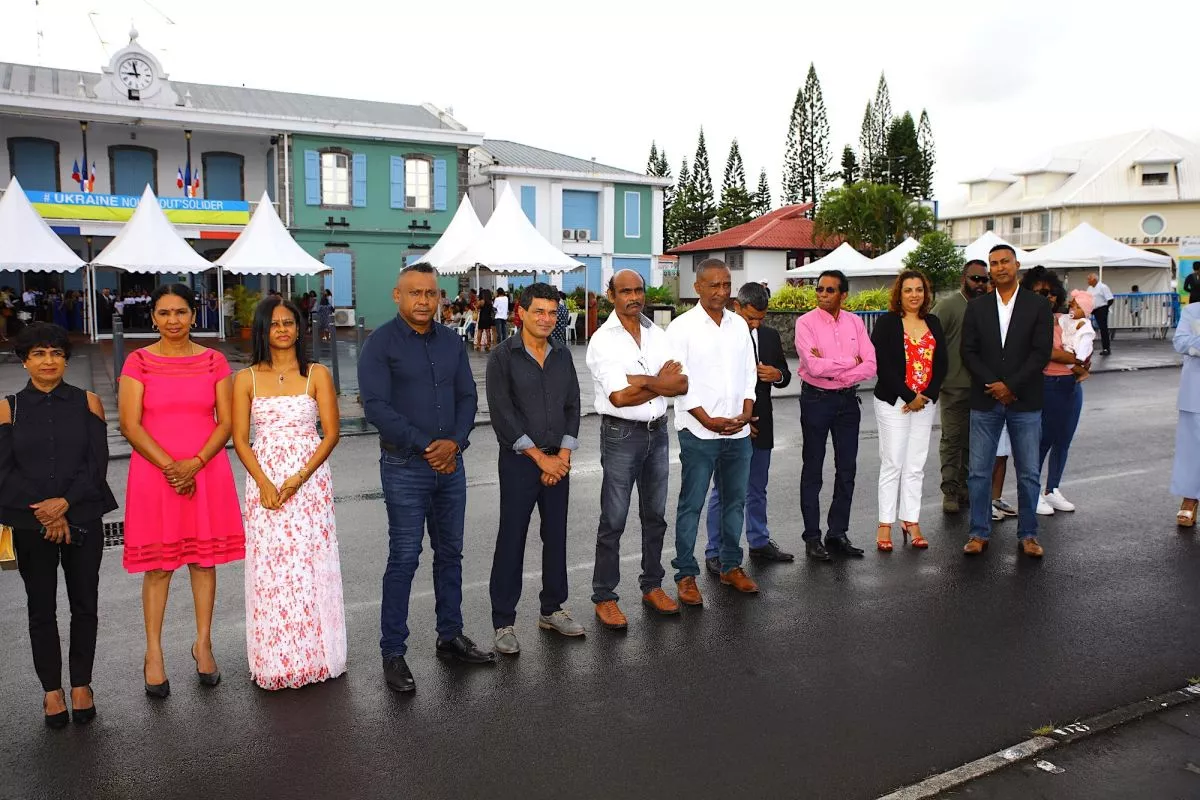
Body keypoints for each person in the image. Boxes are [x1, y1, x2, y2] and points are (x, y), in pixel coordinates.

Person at [359, 263, 492, 693]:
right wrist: (428, 446)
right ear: (397, 296)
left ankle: (450, 636)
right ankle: (393, 652)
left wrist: (455, 443)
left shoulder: (451, 341)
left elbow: (468, 396)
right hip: (405, 467)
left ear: (439, 298)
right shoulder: (380, 343)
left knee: (450, 554)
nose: (423, 300)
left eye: (430, 293)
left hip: (451, 465)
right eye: (414, 293)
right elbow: (376, 407)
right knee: (404, 558)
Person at [117, 284, 245, 697]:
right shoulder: (138, 361)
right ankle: (153, 653)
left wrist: (195, 463)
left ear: (193, 315)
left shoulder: (213, 360)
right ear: (153, 318)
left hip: (205, 470)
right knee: (158, 567)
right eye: (164, 313)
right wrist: (172, 467)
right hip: (155, 473)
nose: (173, 320)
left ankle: (203, 644)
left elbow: (226, 422)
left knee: (203, 562)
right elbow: (129, 424)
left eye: (181, 312)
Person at [0, 323, 116, 727]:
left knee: (85, 604)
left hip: (82, 516)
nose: (48, 361)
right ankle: (52, 690)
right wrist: (45, 511)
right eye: (38, 353)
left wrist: (64, 504)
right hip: (30, 523)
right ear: (24, 360)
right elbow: (4, 471)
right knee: (41, 608)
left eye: (56, 353)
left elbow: (96, 464)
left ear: (66, 359)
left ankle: (82, 684)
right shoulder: (8, 407)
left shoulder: (88, 402)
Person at [232, 298, 346, 690]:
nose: (282, 329)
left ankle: (316, 655)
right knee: (272, 569)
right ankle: (275, 658)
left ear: (299, 329)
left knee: (310, 564)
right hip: (263, 480)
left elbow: (331, 433)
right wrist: (264, 482)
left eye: (289, 323)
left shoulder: (316, 374)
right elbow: (240, 438)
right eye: (274, 323)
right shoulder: (246, 379)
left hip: (309, 480)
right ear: (262, 330)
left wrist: (299, 478)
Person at [587, 269, 688, 629]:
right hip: (621, 435)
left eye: (638, 290)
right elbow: (618, 396)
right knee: (613, 520)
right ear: (611, 295)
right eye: (625, 291)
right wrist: (659, 381)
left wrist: (642, 381)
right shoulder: (603, 340)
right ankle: (605, 596)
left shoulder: (658, 334)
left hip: (657, 433)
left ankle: (652, 586)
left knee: (655, 516)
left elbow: (681, 383)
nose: (634, 297)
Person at [487, 283, 584, 652]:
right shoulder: (502, 357)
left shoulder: (562, 355)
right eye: (539, 311)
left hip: (558, 462)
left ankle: (552, 609)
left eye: (552, 312)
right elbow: (503, 415)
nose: (546, 318)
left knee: (556, 535)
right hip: (520, 463)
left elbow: (573, 406)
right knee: (511, 539)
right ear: (521, 312)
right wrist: (541, 458)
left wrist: (563, 456)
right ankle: (503, 622)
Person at [667, 258, 759, 603]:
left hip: (737, 431)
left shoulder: (739, 325)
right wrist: (706, 420)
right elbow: (678, 382)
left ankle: (731, 566)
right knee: (691, 504)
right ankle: (685, 575)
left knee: (735, 502)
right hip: (698, 432)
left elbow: (749, 373)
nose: (722, 291)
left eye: (726, 284)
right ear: (697, 287)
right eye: (714, 285)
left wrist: (746, 412)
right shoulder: (681, 328)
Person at [962, 246, 1052, 557]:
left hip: (1024, 400)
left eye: (1005, 262)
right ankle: (978, 532)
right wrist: (994, 385)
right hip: (986, 398)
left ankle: (1028, 535)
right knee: (978, 472)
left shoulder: (1038, 305)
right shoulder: (977, 307)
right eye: (994, 263)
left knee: (1028, 472)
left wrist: (1011, 386)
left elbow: (1041, 352)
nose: (1000, 267)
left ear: (1017, 265)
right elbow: (968, 352)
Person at [703, 282, 794, 573]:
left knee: (757, 488)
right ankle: (715, 550)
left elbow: (786, 375)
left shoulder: (769, 336)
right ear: (737, 306)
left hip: (762, 423)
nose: (755, 323)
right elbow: (711, 384)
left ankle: (759, 541)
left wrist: (778, 375)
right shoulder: (719, 336)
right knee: (725, 491)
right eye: (750, 317)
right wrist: (739, 421)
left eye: (760, 319)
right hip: (730, 424)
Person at [795, 269, 878, 561]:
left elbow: (871, 365)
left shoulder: (855, 323)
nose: (822, 294)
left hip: (847, 402)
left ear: (843, 295)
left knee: (847, 469)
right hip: (816, 400)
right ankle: (812, 537)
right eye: (819, 289)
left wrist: (838, 369)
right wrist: (851, 362)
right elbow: (813, 367)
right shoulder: (805, 323)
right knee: (813, 469)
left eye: (829, 290)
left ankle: (837, 533)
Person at [870, 270, 947, 551]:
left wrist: (926, 396)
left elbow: (942, 363)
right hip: (894, 403)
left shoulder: (933, 322)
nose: (914, 295)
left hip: (924, 404)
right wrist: (908, 396)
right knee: (893, 463)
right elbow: (882, 365)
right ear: (899, 294)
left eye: (919, 289)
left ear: (925, 293)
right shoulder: (887, 323)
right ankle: (885, 523)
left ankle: (910, 519)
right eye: (908, 290)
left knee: (915, 465)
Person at [1022, 268, 1090, 518]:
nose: (1047, 297)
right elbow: (1046, 352)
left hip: (1072, 385)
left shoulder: (1064, 318)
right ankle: (1032, 493)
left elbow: (1085, 341)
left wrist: (1082, 360)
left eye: (1051, 292)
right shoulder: (1028, 320)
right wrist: (1077, 360)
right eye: (1040, 292)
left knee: (1064, 439)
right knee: (1043, 441)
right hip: (1047, 383)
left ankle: (1052, 489)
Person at [932, 260, 990, 513]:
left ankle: (966, 487)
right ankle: (950, 491)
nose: (980, 283)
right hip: (953, 387)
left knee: (973, 442)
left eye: (984, 279)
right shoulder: (948, 306)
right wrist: (936, 380)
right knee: (952, 440)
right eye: (975, 278)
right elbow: (929, 341)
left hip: (982, 388)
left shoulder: (988, 307)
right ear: (963, 279)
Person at [1172, 300, 1200, 527]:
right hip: (1195, 392)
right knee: (1192, 449)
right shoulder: (1192, 311)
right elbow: (1180, 342)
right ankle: (1190, 499)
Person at [1060, 290, 1096, 365]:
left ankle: (1082, 369)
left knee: (1071, 365)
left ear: (1085, 312)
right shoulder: (1068, 318)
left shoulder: (1083, 323)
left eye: (1078, 307)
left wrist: (1081, 357)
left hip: (1080, 353)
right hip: (1068, 348)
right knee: (1067, 364)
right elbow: (1061, 321)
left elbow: (1086, 341)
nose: (1073, 309)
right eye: (1072, 306)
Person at [1087, 273, 1114, 355]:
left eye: (1089, 279)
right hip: (1093, 309)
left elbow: (1110, 299)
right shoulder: (1089, 288)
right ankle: (1088, 348)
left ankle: (1106, 348)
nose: (1087, 281)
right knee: (1091, 328)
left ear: (1094, 280)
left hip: (1102, 308)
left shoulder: (1103, 287)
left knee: (1103, 329)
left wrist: (1105, 309)